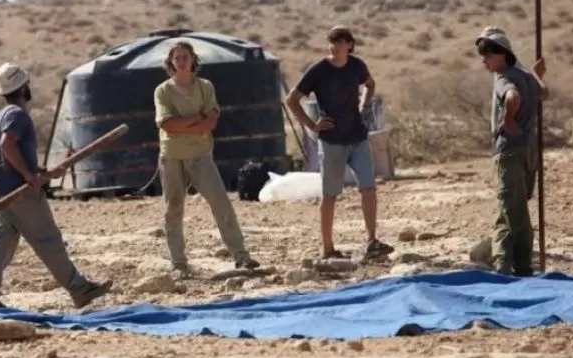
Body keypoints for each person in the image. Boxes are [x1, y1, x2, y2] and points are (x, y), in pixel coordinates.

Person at [0, 62, 113, 310]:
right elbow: (7, 145)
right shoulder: (17, 115)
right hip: (23, 195)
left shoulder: (1, 116)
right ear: (23, 87)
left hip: (3, 194)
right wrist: (28, 176)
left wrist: (41, 173)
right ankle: (79, 289)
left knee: (0, 245)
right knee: (49, 241)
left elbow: (9, 153)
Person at [286, 26, 394, 260]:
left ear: (349, 45)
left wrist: (364, 105)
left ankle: (372, 241)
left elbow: (370, 84)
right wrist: (312, 125)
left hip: (357, 136)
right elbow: (292, 99)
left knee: (368, 187)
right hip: (332, 140)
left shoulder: (357, 66)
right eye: (332, 41)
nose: (334, 46)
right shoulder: (318, 70)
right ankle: (328, 248)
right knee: (330, 194)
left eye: (339, 42)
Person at [153, 41, 261, 275]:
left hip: (200, 154)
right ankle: (178, 263)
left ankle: (241, 256)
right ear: (171, 62)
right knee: (173, 208)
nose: (182, 61)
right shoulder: (163, 91)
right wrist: (196, 119)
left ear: (193, 59)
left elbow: (211, 122)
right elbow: (168, 125)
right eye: (177, 57)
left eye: (186, 57)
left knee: (220, 203)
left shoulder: (204, 87)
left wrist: (187, 123)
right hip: (172, 155)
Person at [475, 27, 549, 277]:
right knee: (508, 206)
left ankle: (522, 264)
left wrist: (508, 118)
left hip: (509, 150)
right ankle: (503, 261)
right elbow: (544, 93)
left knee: (514, 211)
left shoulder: (503, 77)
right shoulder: (526, 75)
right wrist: (537, 75)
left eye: (488, 56)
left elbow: (512, 96)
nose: (484, 61)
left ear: (502, 54)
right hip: (528, 150)